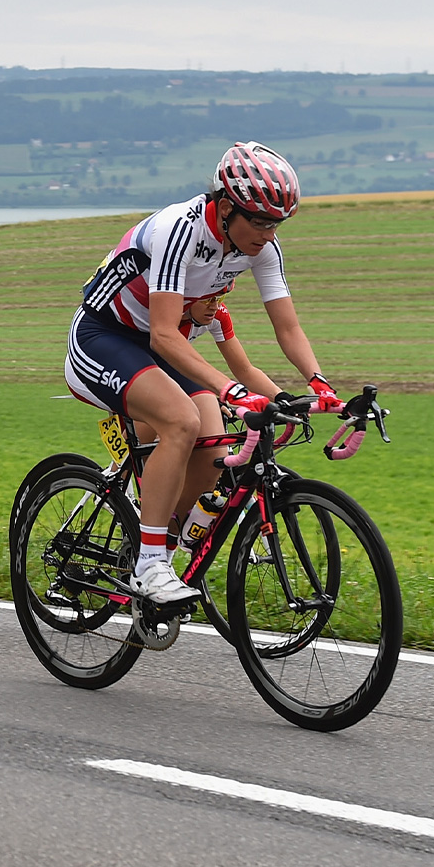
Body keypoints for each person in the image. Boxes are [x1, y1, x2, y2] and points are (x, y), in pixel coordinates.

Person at [65, 141, 341, 605]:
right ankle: (149, 566)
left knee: (213, 448)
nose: (269, 234)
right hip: (105, 336)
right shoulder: (181, 228)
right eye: (260, 220)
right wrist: (233, 390)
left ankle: (160, 545)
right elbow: (164, 336)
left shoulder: (260, 247)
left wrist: (321, 386)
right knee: (182, 421)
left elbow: (287, 326)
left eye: (277, 223)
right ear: (227, 205)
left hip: (165, 347)